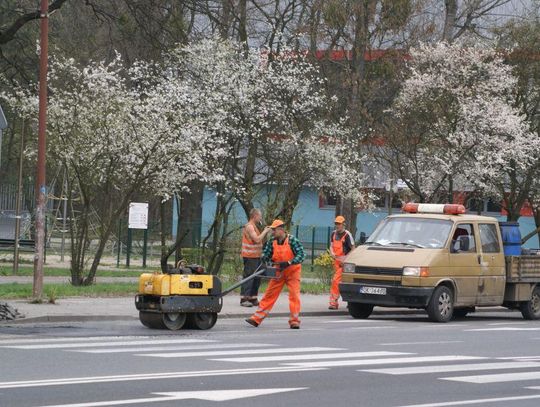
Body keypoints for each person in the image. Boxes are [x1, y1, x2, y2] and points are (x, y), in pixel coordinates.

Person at [245, 219, 306, 329]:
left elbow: (301, 255)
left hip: (292, 272)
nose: (272, 232)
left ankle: (294, 321)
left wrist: (289, 262)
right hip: (278, 273)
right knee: (269, 295)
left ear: (281, 229)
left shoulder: (292, 240)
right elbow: (266, 254)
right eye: (272, 230)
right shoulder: (272, 241)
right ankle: (256, 319)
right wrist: (264, 258)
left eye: (274, 230)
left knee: (294, 296)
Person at [240, 208, 272, 307]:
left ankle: (253, 298)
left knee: (258, 276)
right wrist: (265, 231)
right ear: (255, 216)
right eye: (260, 216)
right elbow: (257, 240)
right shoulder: (249, 226)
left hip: (257, 256)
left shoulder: (255, 226)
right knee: (249, 277)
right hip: (250, 256)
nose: (261, 217)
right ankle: (244, 299)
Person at [328, 215, 355, 310]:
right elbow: (331, 246)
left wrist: (346, 259)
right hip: (336, 262)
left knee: (335, 281)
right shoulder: (333, 234)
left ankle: (333, 302)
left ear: (344, 224)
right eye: (336, 224)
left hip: (344, 263)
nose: (337, 226)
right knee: (344, 283)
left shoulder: (347, 235)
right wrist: (331, 253)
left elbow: (353, 249)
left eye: (339, 224)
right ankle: (351, 302)